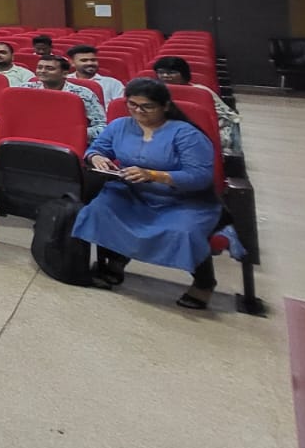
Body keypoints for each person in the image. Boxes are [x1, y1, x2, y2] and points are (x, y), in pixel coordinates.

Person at [73, 78, 222, 309]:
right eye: (132, 105)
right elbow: (97, 148)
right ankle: (115, 262)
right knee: (100, 210)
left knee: (185, 230)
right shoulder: (120, 125)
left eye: (147, 107)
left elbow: (199, 177)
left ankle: (204, 282)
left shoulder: (185, 134)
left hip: (181, 199)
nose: (138, 111)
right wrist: (97, 157)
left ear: (165, 106)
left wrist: (154, 175)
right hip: (132, 192)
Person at [153, 55, 240, 152]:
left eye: (171, 72)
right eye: (161, 72)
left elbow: (224, 116)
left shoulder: (201, 91)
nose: (165, 76)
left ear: (184, 74)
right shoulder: (153, 92)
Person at [24, 53, 106, 140]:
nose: (42, 71)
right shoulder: (25, 89)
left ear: (65, 73)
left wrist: (74, 133)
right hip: (30, 137)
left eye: (50, 68)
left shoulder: (83, 94)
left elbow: (101, 126)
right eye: (39, 67)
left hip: (68, 140)